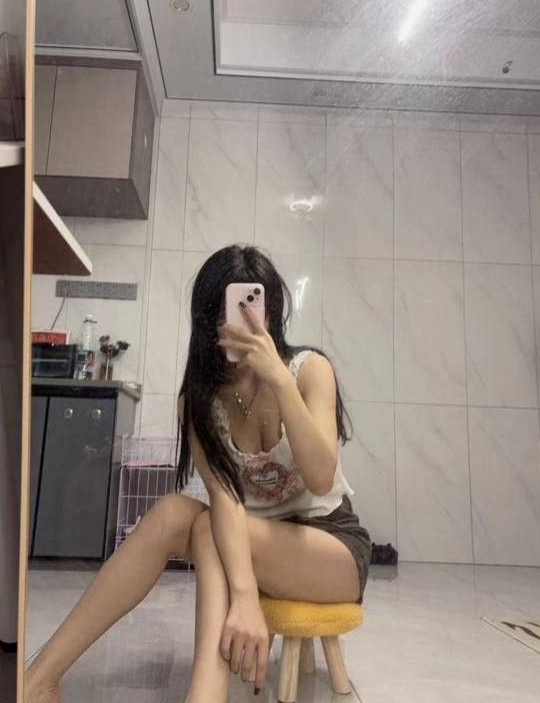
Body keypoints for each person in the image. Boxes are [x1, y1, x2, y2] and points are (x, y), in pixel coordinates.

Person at [23, 243, 372, 703]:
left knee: (209, 528)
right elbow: (225, 498)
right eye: (228, 311)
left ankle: (205, 695)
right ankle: (40, 678)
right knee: (174, 513)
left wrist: (279, 381)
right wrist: (243, 596)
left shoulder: (309, 371)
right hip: (249, 538)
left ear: (272, 312)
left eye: (254, 307)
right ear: (209, 321)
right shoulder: (200, 401)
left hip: (329, 545)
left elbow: (321, 477)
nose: (242, 322)